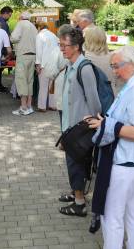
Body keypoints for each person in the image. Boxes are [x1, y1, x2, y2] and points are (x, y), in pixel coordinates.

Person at [87, 45, 134, 249]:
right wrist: (104, 122)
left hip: (128, 162)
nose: (114, 71)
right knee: (133, 209)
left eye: (116, 66)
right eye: (112, 66)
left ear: (131, 64)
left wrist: (109, 125)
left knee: (112, 215)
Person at [58, 27, 102, 217]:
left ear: (76, 47)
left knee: (75, 164)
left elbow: (95, 103)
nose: (61, 49)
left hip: (79, 129)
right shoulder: (71, 65)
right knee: (74, 163)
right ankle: (77, 193)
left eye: (64, 45)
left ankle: (79, 203)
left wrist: (89, 124)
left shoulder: (84, 69)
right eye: (60, 45)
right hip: (70, 125)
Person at [10, 11, 38, 116]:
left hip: (23, 55)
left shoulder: (21, 24)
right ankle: (29, 106)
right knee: (29, 81)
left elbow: (14, 38)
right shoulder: (33, 26)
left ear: (21, 17)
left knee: (21, 80)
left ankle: (23, 107)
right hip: (33, 56)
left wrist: (11, 37)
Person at [83, 25, 122, 95]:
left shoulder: (83, 58)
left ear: (87, 40)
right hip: (111, 96)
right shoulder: (114, 57)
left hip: (91, 98)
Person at [35, 21, 60, 112]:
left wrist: (38, 64)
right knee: (52, 85)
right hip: (54, 63)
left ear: (38, 28)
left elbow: (39, 51)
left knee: (43, 85)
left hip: (44, 64)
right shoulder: (53, 35)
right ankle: (52, 105)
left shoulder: (39, 36)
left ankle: (42, 106)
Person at [0, 6, 13, 93]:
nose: (9, 17)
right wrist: (8, 51)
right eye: (9, 15)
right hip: (0, 50)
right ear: (5, 13)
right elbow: (6, 38)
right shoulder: (2, 23)